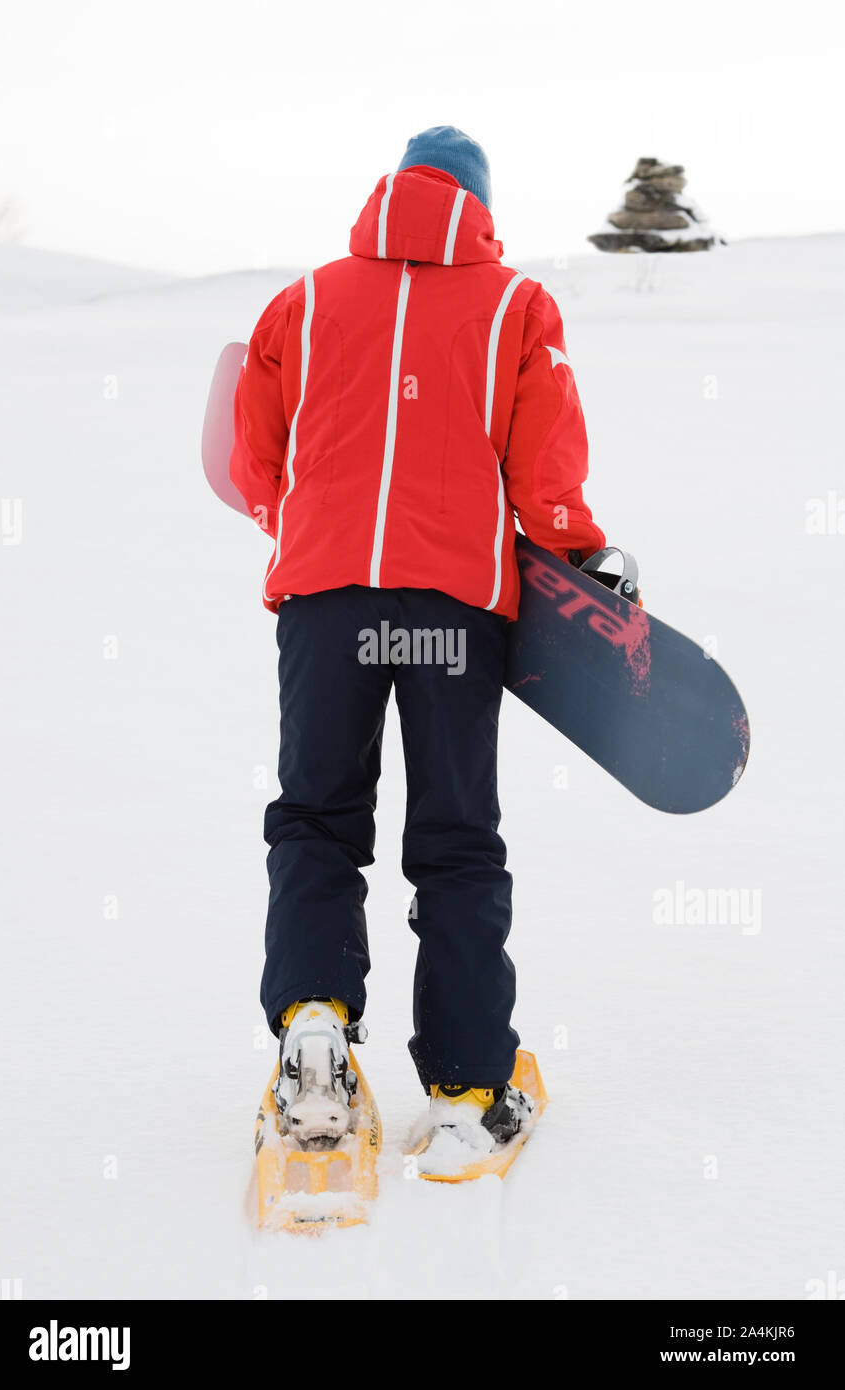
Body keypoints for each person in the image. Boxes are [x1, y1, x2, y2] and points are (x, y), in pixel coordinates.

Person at [231, 126, 605, 1153]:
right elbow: (542, 476)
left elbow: (250, 456)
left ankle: (312, 1034)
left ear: (390, 190)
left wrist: (306, 525)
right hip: (451, 614)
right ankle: (467, 1088)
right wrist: (579, 553)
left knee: (314, 818)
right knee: (452, 841)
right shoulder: (515, 305)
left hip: (323, 608)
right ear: (478, 206)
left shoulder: (301, 303)